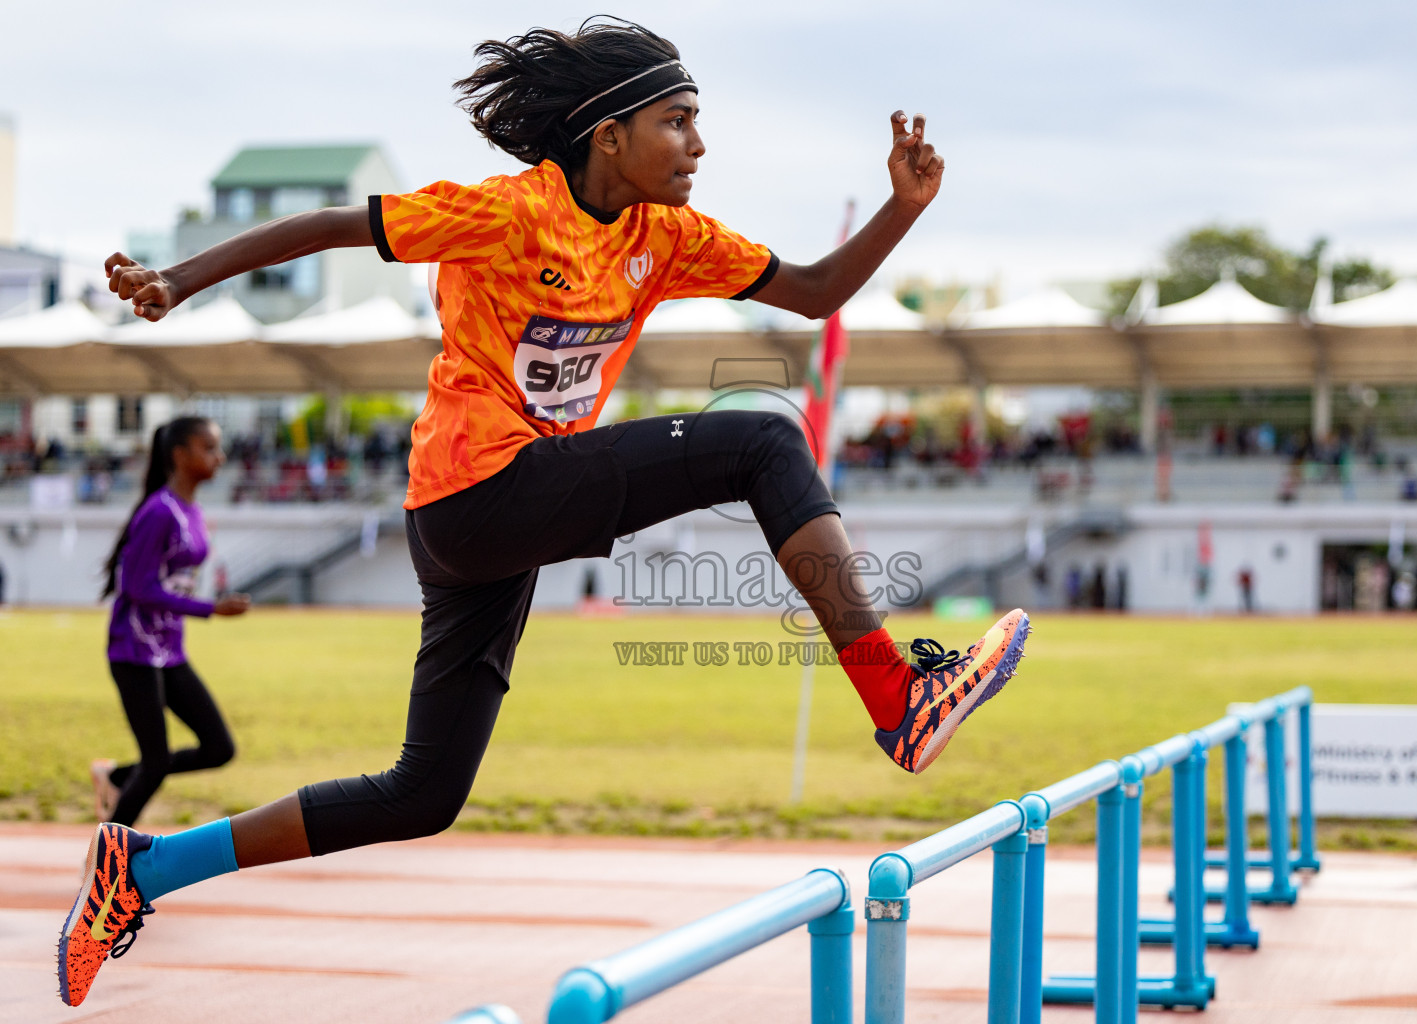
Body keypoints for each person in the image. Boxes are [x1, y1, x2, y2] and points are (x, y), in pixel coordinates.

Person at [59, 19, 1030, 1006]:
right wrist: (175, 280)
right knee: (765, 442)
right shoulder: (506, 214)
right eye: (679, 122)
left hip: (490, 522)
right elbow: (329, 226)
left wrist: (905, 209)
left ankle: (140, 868)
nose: (698, 146)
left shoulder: (670, 237)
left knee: (422, 793)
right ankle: (893, 699)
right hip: (475, 488)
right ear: (609, 133)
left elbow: (818, 292)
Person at [87, 417, 251, 831]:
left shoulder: (191, 510)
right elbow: (136, 587)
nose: (220, 456)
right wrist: (210, 609)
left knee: (218, 747)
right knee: (156, 762)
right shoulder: (158, 512)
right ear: (180, 455)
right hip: (133, 650)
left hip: (169, 650)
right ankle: (106, 864)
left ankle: (118, 777)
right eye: (209, 448)